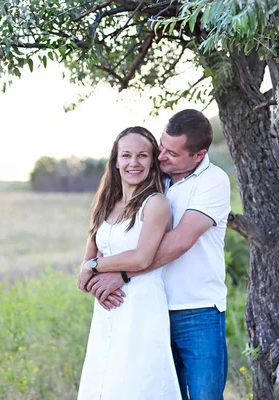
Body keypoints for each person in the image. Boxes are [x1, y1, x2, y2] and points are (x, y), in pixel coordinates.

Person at [87, 109, 231, 400]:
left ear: (199, 155)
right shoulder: (156, 180)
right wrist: (97, 271)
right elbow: (110, 230)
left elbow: (178, 242)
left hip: (197, 309)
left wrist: (121, 273)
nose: (162, 156)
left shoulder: (213, 181)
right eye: (161, 147)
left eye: (172, 153)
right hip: (151, 309)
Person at [76, 126, 182, 400]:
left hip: (141, 307)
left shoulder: (155, 203)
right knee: (104, 384)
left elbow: (142, 256)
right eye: (126, 155)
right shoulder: (106, 204)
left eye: (142, 155)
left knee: (137, 385)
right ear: (115, 161)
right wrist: (91, 277)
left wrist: (95, 268)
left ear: (152, 161)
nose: (133, 163)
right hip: (109, 310)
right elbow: (88, 259)